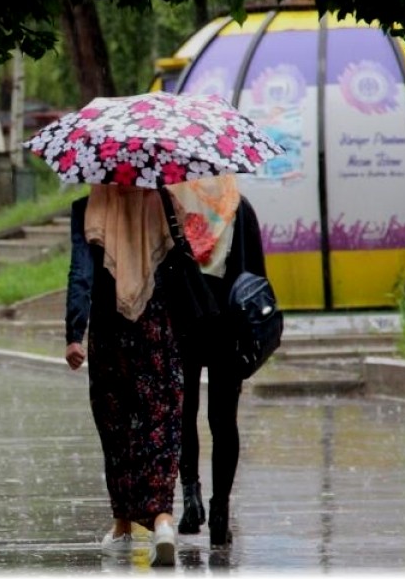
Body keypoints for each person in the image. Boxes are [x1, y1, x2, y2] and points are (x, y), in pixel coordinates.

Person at [64, 184, 182, 567]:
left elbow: (80, 273)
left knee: (116, 428)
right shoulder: (163, 202)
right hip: (157, 329)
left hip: (108, 331)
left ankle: (123, 527)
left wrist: (74, 333)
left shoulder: (87, 208)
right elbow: (181, 266)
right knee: (160, 422)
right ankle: (163, 520)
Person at [166, 176, 266, 549]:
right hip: (229, 324)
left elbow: (161, 268)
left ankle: (191, 499)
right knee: (224, 421)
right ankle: (220, 511)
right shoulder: (239, 207)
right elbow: (256, 276)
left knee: (184, 414)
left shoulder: (172, 206)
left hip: (184, 321)